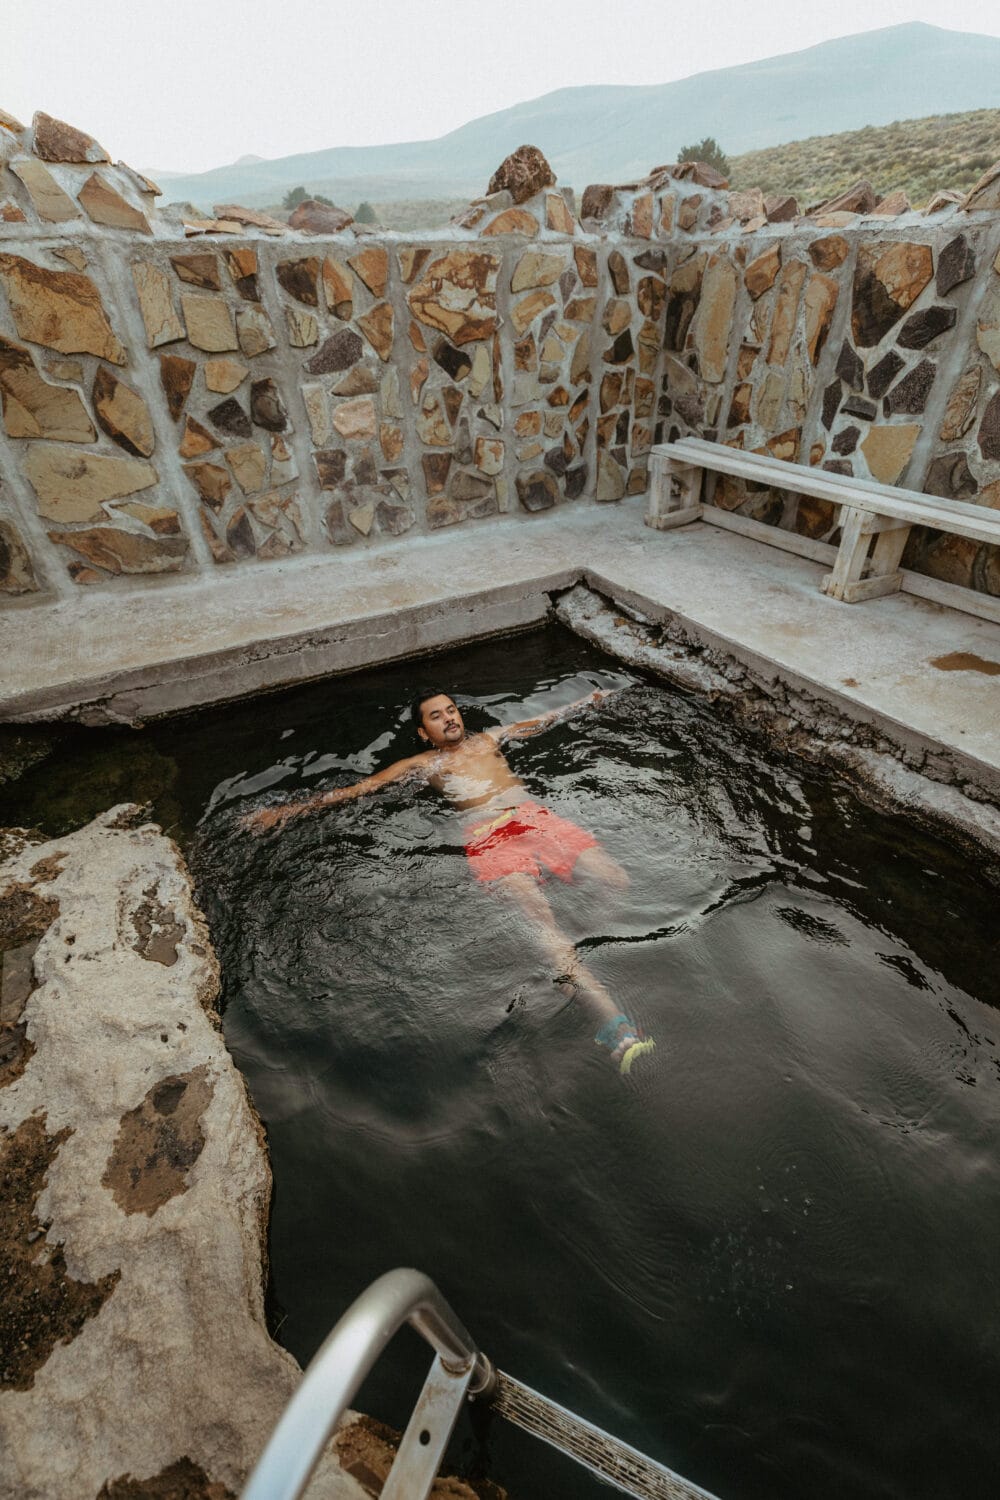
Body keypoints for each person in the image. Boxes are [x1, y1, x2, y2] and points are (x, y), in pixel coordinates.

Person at [244, 688, 655, 1075]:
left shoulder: (490, 738)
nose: (448, 719)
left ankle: (581, 955)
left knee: (615, 880)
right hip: (488, 836)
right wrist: (287, 811)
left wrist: (591, 700)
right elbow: (361, 789)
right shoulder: (424, 764)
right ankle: (609, 1019)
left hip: (534, 820)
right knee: (546, 927)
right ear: (424, 732)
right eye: (436, 717)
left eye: (451, 710)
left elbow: (544, 719)